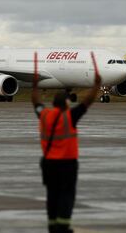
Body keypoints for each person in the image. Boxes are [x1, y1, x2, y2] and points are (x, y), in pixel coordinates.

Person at [32, 55, 102, 233]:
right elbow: (87, 102)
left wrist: (34, 86)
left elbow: (36, 102)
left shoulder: (44, 115)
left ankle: (52, 225)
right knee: (66, 195)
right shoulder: (69, 116)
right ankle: (63, 226)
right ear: (66, 104)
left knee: (52, 195)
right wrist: (96, 86)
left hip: (48, 164)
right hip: (67, 165)